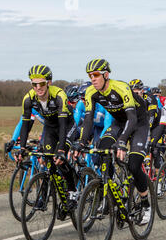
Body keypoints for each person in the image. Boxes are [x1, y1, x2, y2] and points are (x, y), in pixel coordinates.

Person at [73, 59, 153, 225]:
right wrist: (81, 143)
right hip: (118, 123)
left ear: (106, 75)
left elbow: (131, 118)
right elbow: (88, 120)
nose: (92, 78)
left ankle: (145, 204)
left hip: (138, 123)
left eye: (96, 75)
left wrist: (123, 141)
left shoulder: (121, 87)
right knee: (103, 148)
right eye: (90, 75)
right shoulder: (90, 92)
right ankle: (110, 190)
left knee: (134, 164)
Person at [19, 65, 77, 217]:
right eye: (34, 84)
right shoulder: (28, 98)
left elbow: (63, 124)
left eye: (42, 84)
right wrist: (22, 148)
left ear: (49, 82)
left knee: (60, 159)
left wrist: (62, 149)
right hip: (50, 128)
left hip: (67, 125)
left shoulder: (59, 95)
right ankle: (46, 196)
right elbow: (25, 125)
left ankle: (72, 191)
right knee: (48, 161)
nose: (38, 87)